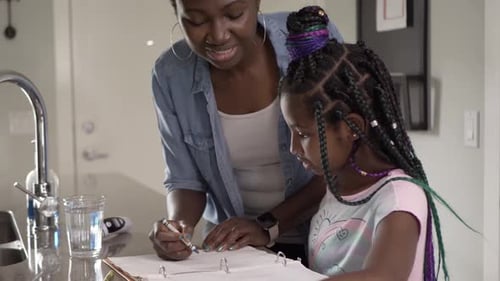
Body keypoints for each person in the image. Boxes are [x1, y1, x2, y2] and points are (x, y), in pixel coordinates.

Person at [279, 5, 471, 281]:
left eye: (303, 134)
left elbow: (385, 275)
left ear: (352, 127)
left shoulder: (399, 197)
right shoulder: (337, 187)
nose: (293, 148)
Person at [148, 0, 343, 264]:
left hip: (329, 239)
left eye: (234, 14)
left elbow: (346, 160)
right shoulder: (170, 74)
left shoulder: (309, 39)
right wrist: (177, 229)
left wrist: (267, 226)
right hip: (235, 249)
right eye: (196, 20)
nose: (218, 35)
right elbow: (185, 180)